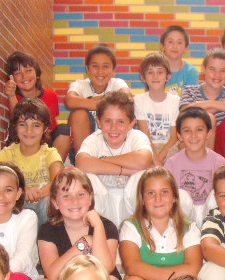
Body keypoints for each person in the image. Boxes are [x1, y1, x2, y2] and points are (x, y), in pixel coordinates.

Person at [28, 168, 121, 280]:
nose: (74, 201)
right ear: (55, 202)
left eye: (80, 194)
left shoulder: (106, 226)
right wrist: (83, 244)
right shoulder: (48, 230)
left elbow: (106, 267)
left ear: (90, 198)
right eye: (66, 196)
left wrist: (98, 227)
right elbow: (53, 274)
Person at [120, 167, 203, 280]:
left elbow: (194, 268)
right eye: (151, 193)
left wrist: (161, 278)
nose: (158, 199)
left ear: (174, 197)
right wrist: (171, 275)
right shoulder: (131, 226)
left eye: (164, 192)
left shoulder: (189, 227)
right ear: (142, 199)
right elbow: (132, 266)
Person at [75, 91, 154, 225]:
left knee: (141, 176)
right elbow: (81, 163)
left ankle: (139, 228)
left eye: (121, 122)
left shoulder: (136, 137)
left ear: (131, 124)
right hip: (103, 205)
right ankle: (98, 228)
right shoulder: (95, 139)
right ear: (99, 122)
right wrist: (125, 171)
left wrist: (103, 159)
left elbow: (144, 160)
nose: (113, 128)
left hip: (131, 205)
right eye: (108, 121)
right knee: (88, 177)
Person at [0, 98, 64, 227]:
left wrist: (39, 193)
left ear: (45, 128)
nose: (29, 131)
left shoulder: (50, 153)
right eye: (23, 124)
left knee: (48, 203)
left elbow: (58, 181)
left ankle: (46, 238)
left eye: (36, 125)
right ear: (15, 126)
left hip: (42, 206)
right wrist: (23, 192)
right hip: (17, 204)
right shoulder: (7, 154)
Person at [180, 48, 225, 162]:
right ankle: (206, 167)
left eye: (223, 70)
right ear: (204, 69)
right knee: (208, 118)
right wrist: (224, 104)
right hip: (197, 142)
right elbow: (186, 113)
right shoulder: (190, 91)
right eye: (212, 69)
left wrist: (211, 104)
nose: (217, 75)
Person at [4, 51, 71, 161]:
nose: (24, 76)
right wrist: (11, 95)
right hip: (24, 139)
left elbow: (52, 126)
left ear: (37, 74)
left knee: (64, 129)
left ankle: (54, 167)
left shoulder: (51, 95)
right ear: (12, 78)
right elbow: (17, 119)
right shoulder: (13, 97)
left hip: (45, 141)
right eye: (18, 73)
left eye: (28, 71)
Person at [164, 107, 225, 225]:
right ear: (179, 135)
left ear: (208, 133)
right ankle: (184, 233)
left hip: (211, 216)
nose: (193, 135)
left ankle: (212, 232)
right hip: (183, 216)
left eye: (199, 130)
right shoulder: (171, 164)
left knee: (216, 196)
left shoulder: (220, 163)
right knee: (180, 196)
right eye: (187, 131)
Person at [65, 44, 130, 154]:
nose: (100, 71)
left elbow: (125, 98)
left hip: (112, 140)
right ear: (87, 68)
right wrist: (108, 102)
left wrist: (86, 101)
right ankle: (83, 158)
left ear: (113, 69)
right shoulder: (80, 85)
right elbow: (70, 101)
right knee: (79, 114)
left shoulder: (117, 83)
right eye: (95, 66)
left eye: (106, 66)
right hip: (86, 143)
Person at [135, 53, 180, 166]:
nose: (155, 76)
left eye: (160, 72)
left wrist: (158, 162)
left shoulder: (175, 100)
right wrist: (156, 161)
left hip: (169, 148)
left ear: (168, 76)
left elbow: (174, 138)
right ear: (143, 77)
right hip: (147, 147)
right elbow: (145, 137)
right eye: (150, 72)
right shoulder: (139, 100)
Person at [160, 25, 199, 97]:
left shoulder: (191, 72)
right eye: (170, 42)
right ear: (163, 46)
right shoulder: (155, 70)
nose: (175, 46)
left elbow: (190, 100)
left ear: (186, 48)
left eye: (179, 42)